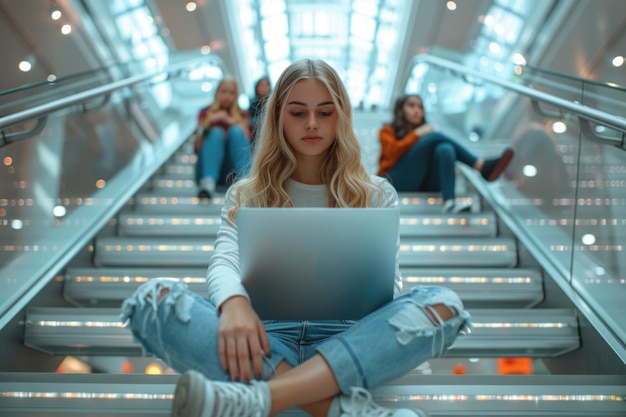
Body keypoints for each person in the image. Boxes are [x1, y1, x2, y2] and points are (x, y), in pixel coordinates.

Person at [120, 59, 472, 417]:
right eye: (298, 113)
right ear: (277, 118)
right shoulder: (246, 193)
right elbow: (224, 260)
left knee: (444, 304)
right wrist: (234, 304)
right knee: (153, 301)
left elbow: (389, 284)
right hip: (262, 337)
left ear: (341, 117)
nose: (313, 124)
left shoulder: (377, 193)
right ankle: (334, 408)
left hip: (349, 337)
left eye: (325, 112)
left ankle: (263, 397)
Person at [377, 94, 514, 213]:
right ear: (401, 110)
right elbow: (392, 153)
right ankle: (480, 166)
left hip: (425, 183)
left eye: (420, 107)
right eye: (411, 106)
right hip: (395, 182)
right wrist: (416, 134)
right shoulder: (387, 131)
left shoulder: (425, 136)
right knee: (435, 136)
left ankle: (450, 202)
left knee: (445, 148)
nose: (417, 110)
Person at [194, 76, 252, 199]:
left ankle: (246, 182)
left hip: (234, 171)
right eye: (224, 91)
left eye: (231, 92)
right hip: (207, 170)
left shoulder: (243, 114)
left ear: (236, 95)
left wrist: (230, 121)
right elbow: (197, 146)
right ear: (217, 92)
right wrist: (209, 122)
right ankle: (208, 182)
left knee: (236, 131)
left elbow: (247, 142)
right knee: (216, 133)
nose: (227, 96)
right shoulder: (205, 113)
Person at [249, 75, 271, 143]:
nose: (264, 88)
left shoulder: (273, 102)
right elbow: (251, 120)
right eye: (261, 85)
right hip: (258, 132)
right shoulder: (253, 103)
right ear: (256, 87)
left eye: (266, 85)